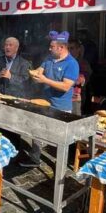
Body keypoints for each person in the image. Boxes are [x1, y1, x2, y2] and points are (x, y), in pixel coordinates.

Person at [25, 31, 80, 167]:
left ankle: (60, 166)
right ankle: (34, 158)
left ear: (61, 48)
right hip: (45, 102)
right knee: (37, 130)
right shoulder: (49, 59)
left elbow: (66, 86)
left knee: (59, 139)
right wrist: (34, 75)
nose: (49, 49)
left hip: (61, 107)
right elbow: (39, 71)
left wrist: (44, 80)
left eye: (52, 46)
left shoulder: (71, 64)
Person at [68, 39, 92, 116]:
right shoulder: (64, 61)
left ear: (78, 49)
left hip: (75, 98)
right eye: (67, 48)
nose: (69, 51)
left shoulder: (83, 63)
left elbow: (81, 79)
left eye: (72, 48)